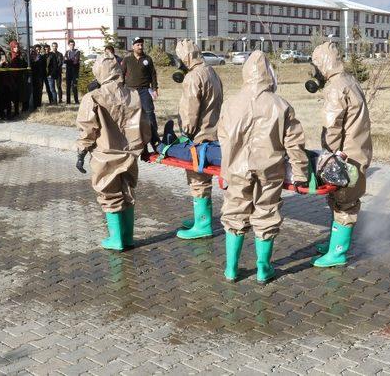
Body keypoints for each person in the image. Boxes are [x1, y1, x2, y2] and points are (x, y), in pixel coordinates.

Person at [218, 51, 308, 284]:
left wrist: (224, 171)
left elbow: (224, 139)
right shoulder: (281, 105)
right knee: (266, 213)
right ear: (269, 74)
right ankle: (263, 269)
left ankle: (231, 269)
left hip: (237, 168)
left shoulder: (231, 103)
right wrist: (300, 173)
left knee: (234, 213)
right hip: (270, 169)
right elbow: (294, 143)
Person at [75, 51, 150, 251]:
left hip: (105, 155)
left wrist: (81, 152)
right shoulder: (133, 94)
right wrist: (145, 145)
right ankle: (128, 237)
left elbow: (87, 128)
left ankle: (116, 240)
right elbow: (144, 122)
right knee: (127, 193)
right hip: (130, 153)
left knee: (110, 195)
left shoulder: (93, 97)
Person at [308, 42, 372, 268]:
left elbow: (333, 127)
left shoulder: (336, 87)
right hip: (358, 149)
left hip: (346, 154)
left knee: (345, 201)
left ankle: (338, 252)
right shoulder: (349, 80)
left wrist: (328, 154)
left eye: (315, 65)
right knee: (338, 199)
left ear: (322, 63)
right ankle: (334, 243)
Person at [167, 39, 224, 240]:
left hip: (199, 136)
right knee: (203, 176)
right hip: (214, 132)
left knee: (197, 179)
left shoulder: (193, 77)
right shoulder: (211, 72)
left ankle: (203, 224)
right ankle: (202, 218)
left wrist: (186, 132)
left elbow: (190, 112)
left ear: (186, 57)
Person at [121, 37, 160, 150]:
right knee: (132, 116)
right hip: (131, 92)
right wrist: (121, 90)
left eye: (141, 44)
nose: (140, 46)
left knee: (149, 114)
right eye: (138, 44)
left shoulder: (147, 59)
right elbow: (122, 75)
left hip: (144, 90)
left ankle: (155, 141)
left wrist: (155, 88)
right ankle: (136, 143)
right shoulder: (127, 60)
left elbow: (153, 74)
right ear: (133, 46)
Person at [7, 41, 27, 117]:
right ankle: (11, 111)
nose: (17, 48)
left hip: (19, 78)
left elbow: (25, 64)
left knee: (18, 94)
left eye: (17, 47)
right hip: (11, 78)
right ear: (12, 47)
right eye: (15, 47)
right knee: (12, 95)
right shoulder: (9, 55)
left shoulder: (21, 55)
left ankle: (17, 111)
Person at [64, 39, 80, 104]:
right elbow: (64, 61)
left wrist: (69, 60)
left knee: (74, 86)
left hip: (75, 72)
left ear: (74, 45)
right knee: (68, 87)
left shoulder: (77, 52)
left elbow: (76, 61)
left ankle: (76, 101)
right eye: (70, 45)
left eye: (73, 45)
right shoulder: (67, 52)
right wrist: (70, 60)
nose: (72, 46)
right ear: (68, 45)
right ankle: (68, 101)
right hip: (68, 72)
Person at [30, 44, 45, 109]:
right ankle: (34, 104)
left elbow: (43, 67)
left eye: (39, 49)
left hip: (40, 76)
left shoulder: (41, 57)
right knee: (34, 91)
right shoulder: (31, 57)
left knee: (39, 90)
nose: (38, 51)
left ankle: (39, 104)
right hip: (33, 76)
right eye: (37, 50)